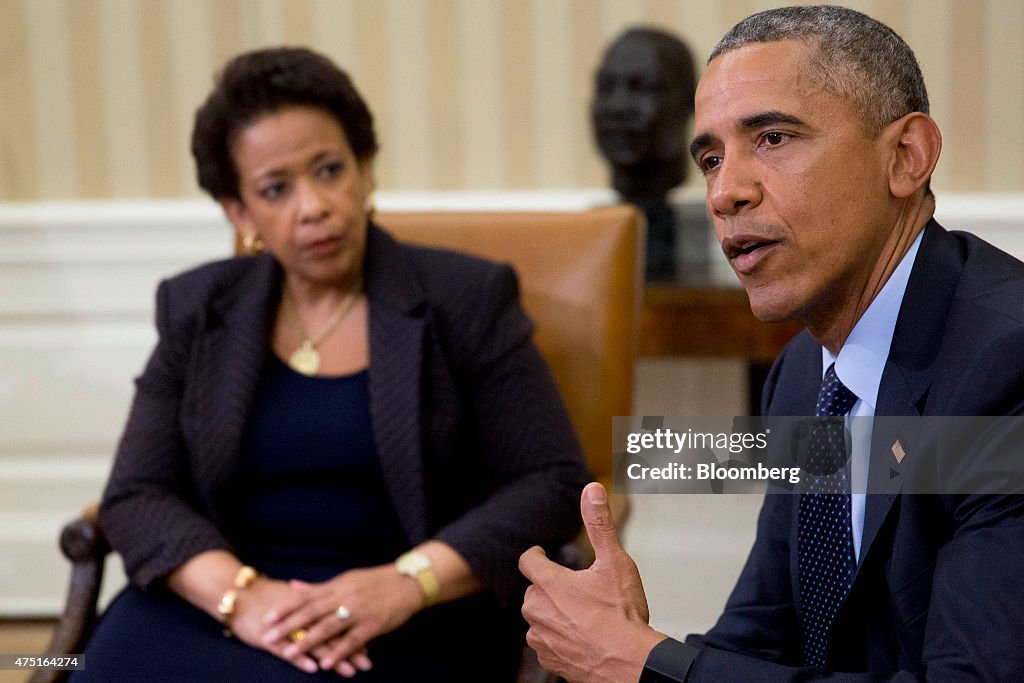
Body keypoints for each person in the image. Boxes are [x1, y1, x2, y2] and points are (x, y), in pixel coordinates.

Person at [521, 5, 1024, 681]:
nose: (726, 191)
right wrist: (622, 651)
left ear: (906, 157)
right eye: (710, 157)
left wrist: (640, 662)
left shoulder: (1008, 363)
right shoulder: (803, 374)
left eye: (773, 139)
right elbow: (759, 640)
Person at [78, 46, 589, 682]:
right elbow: (135, 492)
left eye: (329, 170)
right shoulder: (198, 308)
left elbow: (551, 480)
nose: (314, 205)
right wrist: (242, 598)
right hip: (225, 603)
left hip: (413, 616)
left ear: (365, 170)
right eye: (276, 189)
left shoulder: (464, 299)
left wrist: (409, 580)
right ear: (240, 212)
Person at [592, 27, 697, 279]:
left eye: (642, 88)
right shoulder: (587, 235)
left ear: (689, 101)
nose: (617, 108)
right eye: (606, 87)